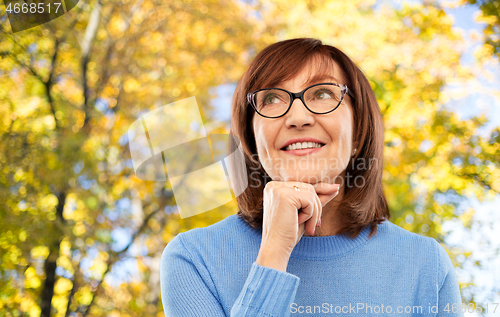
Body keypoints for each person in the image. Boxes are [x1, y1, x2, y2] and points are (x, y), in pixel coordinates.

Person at [160, 38, 463, 316]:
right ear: (251, 142)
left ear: (359, 132)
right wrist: (274, 251)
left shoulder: (425, 265)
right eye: (272, 99)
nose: (298, 118)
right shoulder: (194, 258)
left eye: (322, 94)